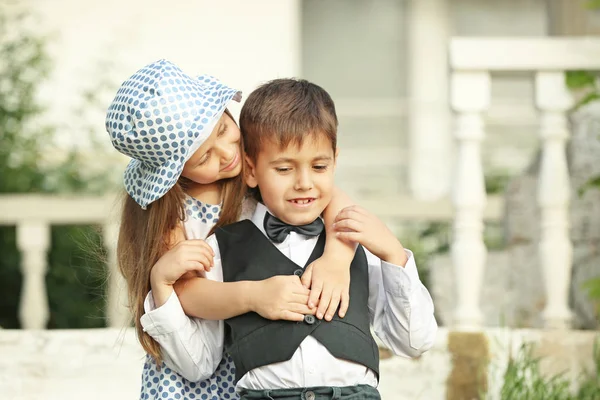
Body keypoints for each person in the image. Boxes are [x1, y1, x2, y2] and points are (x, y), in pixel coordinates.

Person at [162, 78, 438, 399]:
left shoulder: (357, 241)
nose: (304, 183)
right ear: (250, 170)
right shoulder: (221, 247)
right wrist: (163, 289)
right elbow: (198, 363)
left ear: (335, 160)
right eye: (283, 169)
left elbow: (414, 341)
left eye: (319, 166)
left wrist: (394, 255)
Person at [105, 60, 357, 400]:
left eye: (223, 130)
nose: (227, 154)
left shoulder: (259, 179)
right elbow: (190, 293)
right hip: (196, 374)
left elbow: (336, 202)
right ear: (176, 173)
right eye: (205, 156)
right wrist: (255, 296)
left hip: (264, 364)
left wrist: (337, 261)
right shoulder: (174, 214)